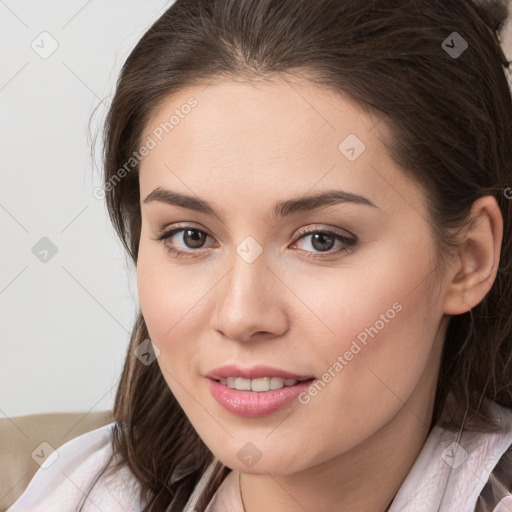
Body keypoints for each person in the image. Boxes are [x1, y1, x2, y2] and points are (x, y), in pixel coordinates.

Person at [7, 0, 512, 510]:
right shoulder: (79, 493)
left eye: (321, 239)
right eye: (191, 237)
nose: (241, 316)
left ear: (468, 258)